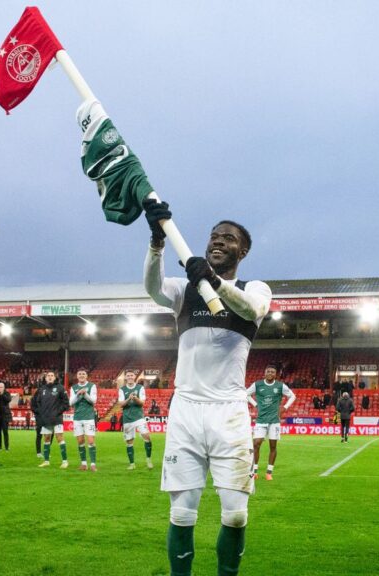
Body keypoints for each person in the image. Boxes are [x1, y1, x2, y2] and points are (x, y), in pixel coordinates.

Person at [142, 199, 272, 576]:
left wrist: (215, 283)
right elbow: (152, 289)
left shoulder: (254, 288)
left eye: (227, 238)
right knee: (182, 513)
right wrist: (156, 243)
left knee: (235, 515)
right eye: (213, 236)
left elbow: (254, 310)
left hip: (229, 413)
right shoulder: (185, 289)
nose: (217, 242)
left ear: (242, 250)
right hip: (186, 410)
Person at [246, 366, 295, 481]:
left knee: (273, 446)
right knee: (256, 443)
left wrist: (285, 407)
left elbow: (293, 396)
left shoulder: (280, 386)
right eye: (268, 371)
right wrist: (255, 405)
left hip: (274, 421)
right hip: (261, 420)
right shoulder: (257, 385)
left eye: (272, 372)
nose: (270, 373)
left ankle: (269, 472)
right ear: (264, 373)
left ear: (275, 374)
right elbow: (246, 394)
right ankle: (254, 471)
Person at [118, 369, 154, 470]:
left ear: (135, 377)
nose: (130, 377)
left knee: (147, 437)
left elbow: (142, 403)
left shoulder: (140, 388)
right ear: (125, 378)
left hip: (139, 417)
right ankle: (132, 464)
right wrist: (129, 398)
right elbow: (121, 404)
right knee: (129, 442)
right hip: (127, 419)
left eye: (131, 375)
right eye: (128, 375)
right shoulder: (122, 389)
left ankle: (148, 459)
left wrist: (135, 398)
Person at [33, 370, 70, 468]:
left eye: (52, 375)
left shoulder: (60, 388)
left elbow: (66, 404)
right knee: (46, 438)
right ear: (45, 378)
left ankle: (65, 461)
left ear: (55, 377)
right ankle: (46, 461)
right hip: (45, 419)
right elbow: (37, 403)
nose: (50, 377)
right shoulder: (42, 389)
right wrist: (41, 413)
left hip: (57, 418)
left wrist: (57, 412)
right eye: (48, 376)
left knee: (59, 438)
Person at [70, 369, 99, 471]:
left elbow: (93, 401)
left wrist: (85, 394)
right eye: (79, 374)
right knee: (80, 441)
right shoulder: (73, 388)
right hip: (77, 418)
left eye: (83, 374)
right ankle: (83, 464)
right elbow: (71, 403)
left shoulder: (92, 386)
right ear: (77, 376)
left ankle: (93, 464)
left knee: (91, 441)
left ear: (86, 376)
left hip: (89, 417)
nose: (81, 375)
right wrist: (78, 394)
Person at [0, 382, 12, 451]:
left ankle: (7, 447)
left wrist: (0, 395)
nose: (0, 388)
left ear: (4, 388)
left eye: (1, 387)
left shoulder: (6, 394)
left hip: (5, 416)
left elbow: (8, 400)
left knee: (5, 432)